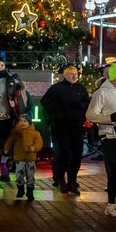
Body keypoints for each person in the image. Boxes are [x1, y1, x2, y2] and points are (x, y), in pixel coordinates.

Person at [86, 62, 116, 217]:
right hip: (110, 136)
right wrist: (109, 118)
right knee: (115, 169)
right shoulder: (101, 93)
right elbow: (90, 115)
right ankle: (111, 204)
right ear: (115, 76)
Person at [40, 65, 89, 195]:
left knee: (77, 154)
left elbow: (86, 105)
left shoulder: (81, 89)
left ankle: (72, 181)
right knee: (63, 153)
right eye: (71, 73)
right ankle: (61, 179)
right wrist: (52, 120)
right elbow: (44, 103)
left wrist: (83, 118)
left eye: (76, 73)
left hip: (76, 127)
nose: (74, 76)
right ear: (65, 75)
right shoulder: (56, 89)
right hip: (61, 127)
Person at [3, 114, 42, 201]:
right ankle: (20, 190)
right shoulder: (16, 133)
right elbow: (10, 141)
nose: (22, 123)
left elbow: (39, 143)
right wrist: (6, 149)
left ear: (29, 122)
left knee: (30, 176)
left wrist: (34, 148)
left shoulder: (35, 133)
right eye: (20, 121)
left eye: (25, 121)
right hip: (19, 158)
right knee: (19, 175)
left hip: (30, 159)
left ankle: (30, 192)